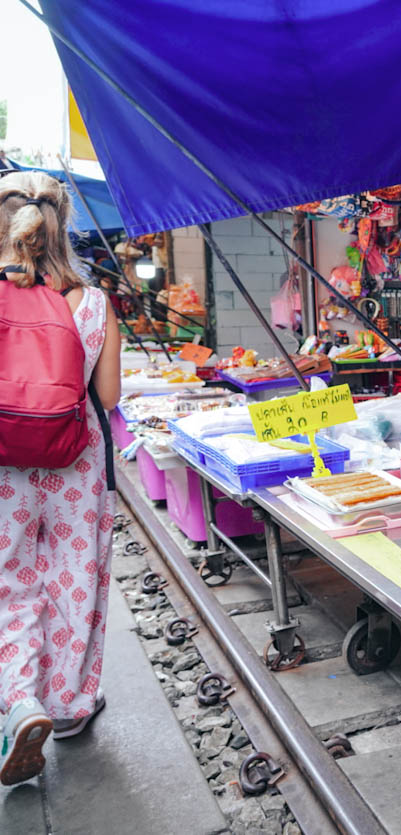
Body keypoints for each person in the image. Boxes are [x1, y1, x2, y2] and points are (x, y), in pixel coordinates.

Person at [0, 171, 120, 785]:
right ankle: (69, 707)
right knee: (76, 577)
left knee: (11, 581)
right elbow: (108, 395)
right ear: (63, 220)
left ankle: (20, 699)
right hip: (76, 455)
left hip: (4, 462)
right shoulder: (94, 301)